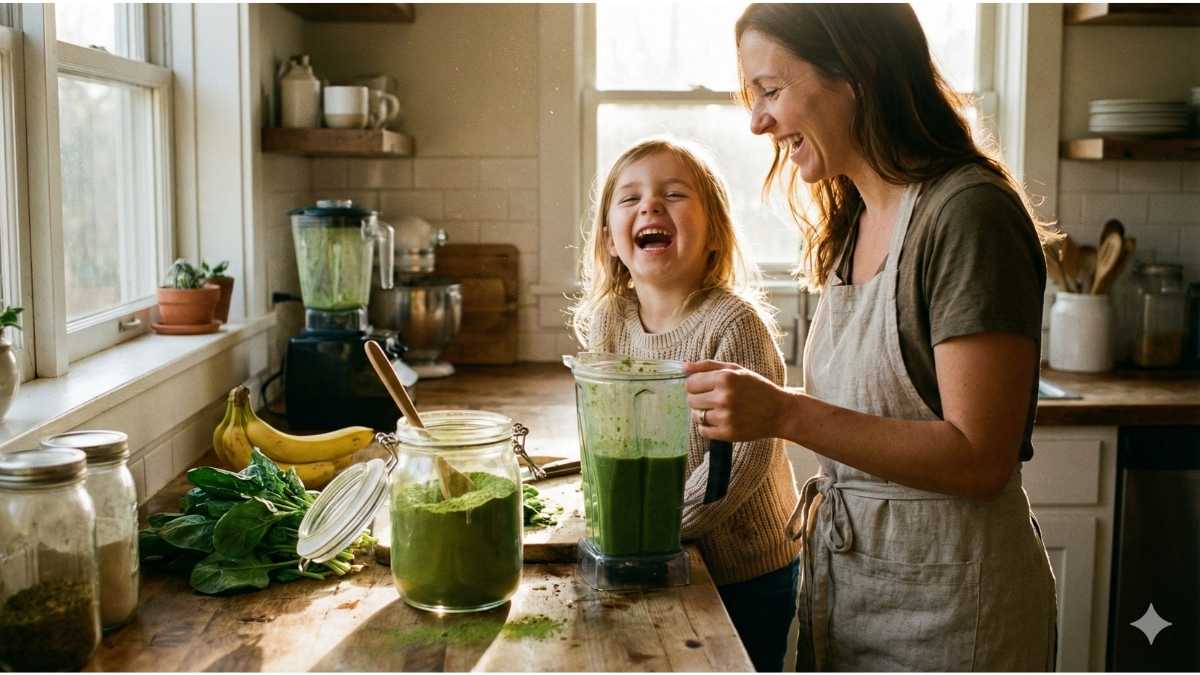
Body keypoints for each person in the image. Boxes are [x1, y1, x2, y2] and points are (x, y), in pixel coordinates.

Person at [683, 4, 1059, 671]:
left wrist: (784, 410)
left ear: (856, 70)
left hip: (952, 615)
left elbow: (979, 457)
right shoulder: (851, 221)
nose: (757, 121)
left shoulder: (967, 215)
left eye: (771, 90)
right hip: (855, 598)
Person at [571, 136, 801, 671]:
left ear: (715, 233)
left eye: (674, 194)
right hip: (649, 552)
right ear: (609, 240)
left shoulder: (733, 326)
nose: (650, 205)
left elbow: (739, 469)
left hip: (742, 571)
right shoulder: (610, 320)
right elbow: (609, 435)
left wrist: (646, 529)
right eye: (629, 199)